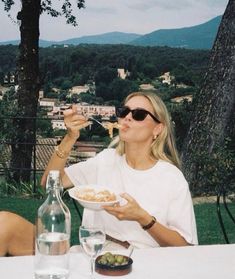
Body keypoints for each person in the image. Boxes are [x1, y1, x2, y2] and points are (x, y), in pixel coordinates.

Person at [0, 91, 198, 256]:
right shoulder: (106, 159)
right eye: (124, 111)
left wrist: (143, 219)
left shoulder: (171, 178)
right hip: (90, 252)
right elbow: (50, 184)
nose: (127, 117)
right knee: (4, 224)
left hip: (141, 262)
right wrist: (70, 138)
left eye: (138, 114)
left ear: (158, 128)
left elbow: (187, 249)